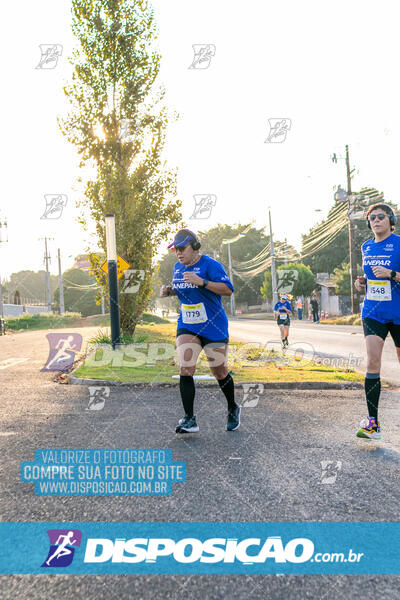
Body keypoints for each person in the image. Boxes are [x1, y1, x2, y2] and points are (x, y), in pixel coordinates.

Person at [160, 229, 241, 433]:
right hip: (187, 324)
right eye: (176, 249)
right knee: (185, 367)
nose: (178, 253)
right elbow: (183, 290)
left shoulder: (211, 265)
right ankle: (189, 419)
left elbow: (228, 289)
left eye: (182, 249)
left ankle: (232, 407)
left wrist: (202, 281)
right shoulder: (178, 268)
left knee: (219, 371)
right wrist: (170, 291)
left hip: (213, 325)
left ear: (194, 247)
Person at [354, 203, 400, 440]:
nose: (376, 220)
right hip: (373, 312)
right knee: (372, 362)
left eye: (381, 216)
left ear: (391, 220)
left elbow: (389, 276)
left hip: (399, 312)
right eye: (372, 218)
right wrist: (361, 282)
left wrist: (392, 274)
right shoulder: (366, 246)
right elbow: (371, 278)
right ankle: (373, 425)